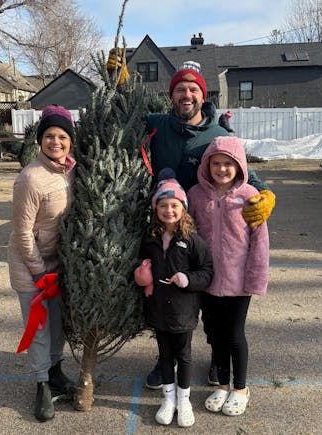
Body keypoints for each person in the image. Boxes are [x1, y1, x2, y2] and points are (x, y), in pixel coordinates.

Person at [107, 54, 275, 388]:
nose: (187, 95)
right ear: (172, 96)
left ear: (203, 95)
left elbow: (244, 172)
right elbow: (124, 115)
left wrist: (266, 193)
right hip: (166, 227)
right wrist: (119, 82)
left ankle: (217, 360)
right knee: (165, 299)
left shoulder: (217, 132)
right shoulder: (157, 125)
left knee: (212, 303)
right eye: (180, 89)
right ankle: (163, 360)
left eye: (193, 90)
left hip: (206, 232)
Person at [188, 135, 269, 416]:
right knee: (216, 335)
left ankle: (241, 388)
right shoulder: (195, 195)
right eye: (216, 163)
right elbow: (189, 234)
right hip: (208, 281)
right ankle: (222, 385)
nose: (221, 169)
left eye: (228, 164)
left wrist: (255, 279)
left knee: (235, 335)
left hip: (238, 283)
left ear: (239, 166)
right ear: (207, 165)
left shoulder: (249, 196)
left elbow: (259, 242)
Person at [7, 105, 76, 422]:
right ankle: (41, 386)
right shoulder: (30, 178)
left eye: (62, 136)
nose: (56, 142)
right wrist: (40, 273)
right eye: (49, 136)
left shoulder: (69, 170)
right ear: (40, 140)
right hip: (30, 265)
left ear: (70, 141)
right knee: (39, 328)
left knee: (58, 324)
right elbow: (22, 233)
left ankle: (56, 372)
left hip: (57, 265)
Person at [135, 168, 213, 428]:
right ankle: (168, 400)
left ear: (183, 208)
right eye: (163, 205)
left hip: (183, 310)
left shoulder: (192, 240)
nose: (169, 210)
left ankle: (185, 399)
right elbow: (140, 263)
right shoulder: (151, 238)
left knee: (185, 356)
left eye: (174, 205)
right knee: (165, 355)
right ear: (156, 208)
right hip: (158, 309)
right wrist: (141, 274)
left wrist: (187, 279)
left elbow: (207, 271)